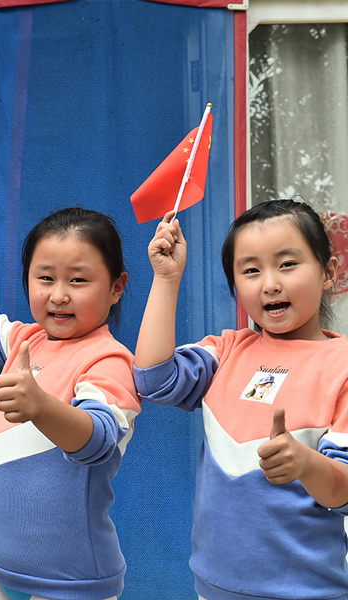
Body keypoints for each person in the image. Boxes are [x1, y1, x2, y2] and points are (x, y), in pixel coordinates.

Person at [133, 202, 348, 600]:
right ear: (234, 287)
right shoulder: (227, 350)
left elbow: (344, 492)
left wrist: (305, 463)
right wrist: (166, 278)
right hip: (211, 587)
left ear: (328, 272)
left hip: (308, 591)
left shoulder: (342, 367)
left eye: (287, 264)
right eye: (251, 270)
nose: (270, 284)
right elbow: (153, 379)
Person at [0, 181, 140, 600]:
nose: (59, 295)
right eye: (45, 278)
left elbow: (98, 440)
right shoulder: (23, 340)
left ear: (116, 287)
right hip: (7, 574)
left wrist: (40, 407)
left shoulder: (109, 359)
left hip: (73, 584)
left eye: (78, 280)